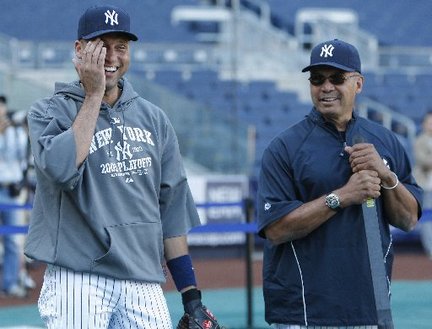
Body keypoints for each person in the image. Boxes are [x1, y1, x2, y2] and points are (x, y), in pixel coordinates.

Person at [24, 5, 223, 328]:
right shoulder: (48, 112)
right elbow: (61, 171)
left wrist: (191, 297)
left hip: (142, 279)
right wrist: (93, 96)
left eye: (121, 47)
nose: (111, 57)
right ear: (79, 49)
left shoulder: (154, 118)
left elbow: (171, 211)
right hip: (79, 278)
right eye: (101, 46)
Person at [256, 39, 423, 328]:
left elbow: (408, 220)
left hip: (371, 309)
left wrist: (386, 176)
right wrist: (343, 196)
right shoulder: (284, 147)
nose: (326, 87)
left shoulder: (384, 140)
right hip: (305, 312)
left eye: (337, 78)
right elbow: (275, 230)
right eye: (317, 79)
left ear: (358, 84)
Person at [0, 95, 34, 298]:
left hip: (11, 191)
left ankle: (10, 283)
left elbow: (27, 158)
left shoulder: (16, 132)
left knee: (13, 240)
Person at [413, 111, 432, 258]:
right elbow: (423, 162)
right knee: (427, 218)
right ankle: (430, 249)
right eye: (429, 122)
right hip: (426, 186)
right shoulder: (420, 141)